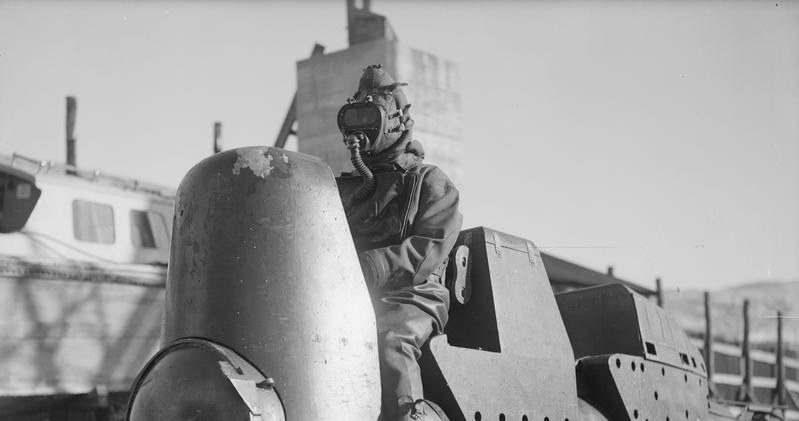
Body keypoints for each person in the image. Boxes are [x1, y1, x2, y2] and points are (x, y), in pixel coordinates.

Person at [336, 64, 463, 421]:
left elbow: (428, 251)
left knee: (389, 340)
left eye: (369, 118)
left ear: (395, 121)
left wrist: (372, 265)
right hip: (347, 295)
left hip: (413, 296)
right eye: (353, 119)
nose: (359, 131)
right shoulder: (337, 189)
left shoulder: (430, 182)